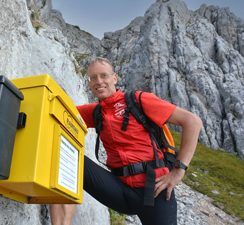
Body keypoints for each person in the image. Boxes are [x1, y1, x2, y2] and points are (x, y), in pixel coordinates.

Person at [50, 57, 202, 225]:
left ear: (114, 78)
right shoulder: (95, 112)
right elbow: (57, 111)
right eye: (93, 78)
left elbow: (192, 122)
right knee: (63, 158)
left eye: (104, 75)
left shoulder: (137, 100)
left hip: (153, 189)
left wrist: (178, 172)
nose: (99, 81)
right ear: (89, 83)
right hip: (119, 190)